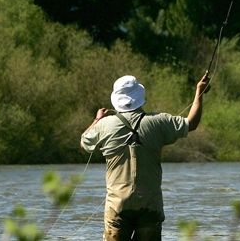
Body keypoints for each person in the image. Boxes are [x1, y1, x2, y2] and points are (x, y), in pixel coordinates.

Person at [81, 71, 210, 241]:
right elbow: (191, 123)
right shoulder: (158, 121)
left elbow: (85, 142)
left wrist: (97, 120)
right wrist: (199, 92)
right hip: (150, 205)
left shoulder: (105, 125)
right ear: (140, 96)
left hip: (117, 206)